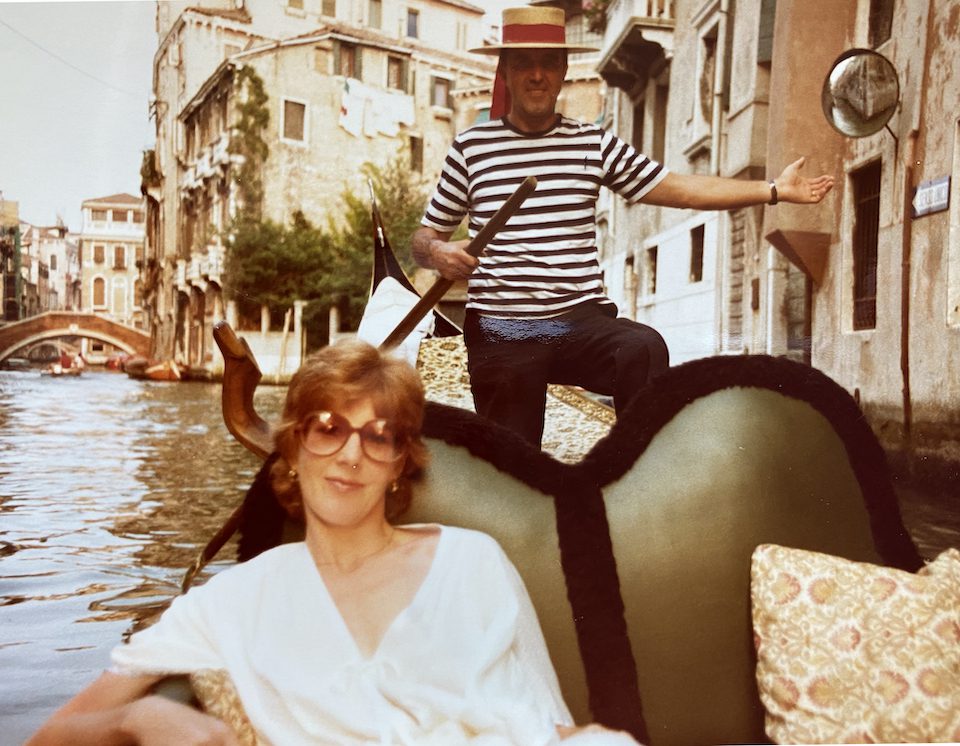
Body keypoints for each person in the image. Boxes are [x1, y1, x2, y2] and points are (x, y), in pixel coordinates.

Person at [28, 339, 640, 746]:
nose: (351, 454)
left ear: (399, 463)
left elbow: (549, 725)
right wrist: (138, 717)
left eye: (379, 436)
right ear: (293, 448)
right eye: (328, 428)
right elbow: (51, 736)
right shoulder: (231, 602)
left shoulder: (472, 561)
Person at [412, 6, 835, 447]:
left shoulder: (591, 142)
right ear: (505, 71)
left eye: (549, 63)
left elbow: (681, 188)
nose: (537, 75)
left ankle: (637, 469)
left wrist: (773, 189)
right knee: (515, 454)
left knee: (642, 347)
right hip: (504, 326)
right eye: (524, 63)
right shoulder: (472, 147)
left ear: (563, 70)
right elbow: (424, 240)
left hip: (578, 320)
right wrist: (439, 253)